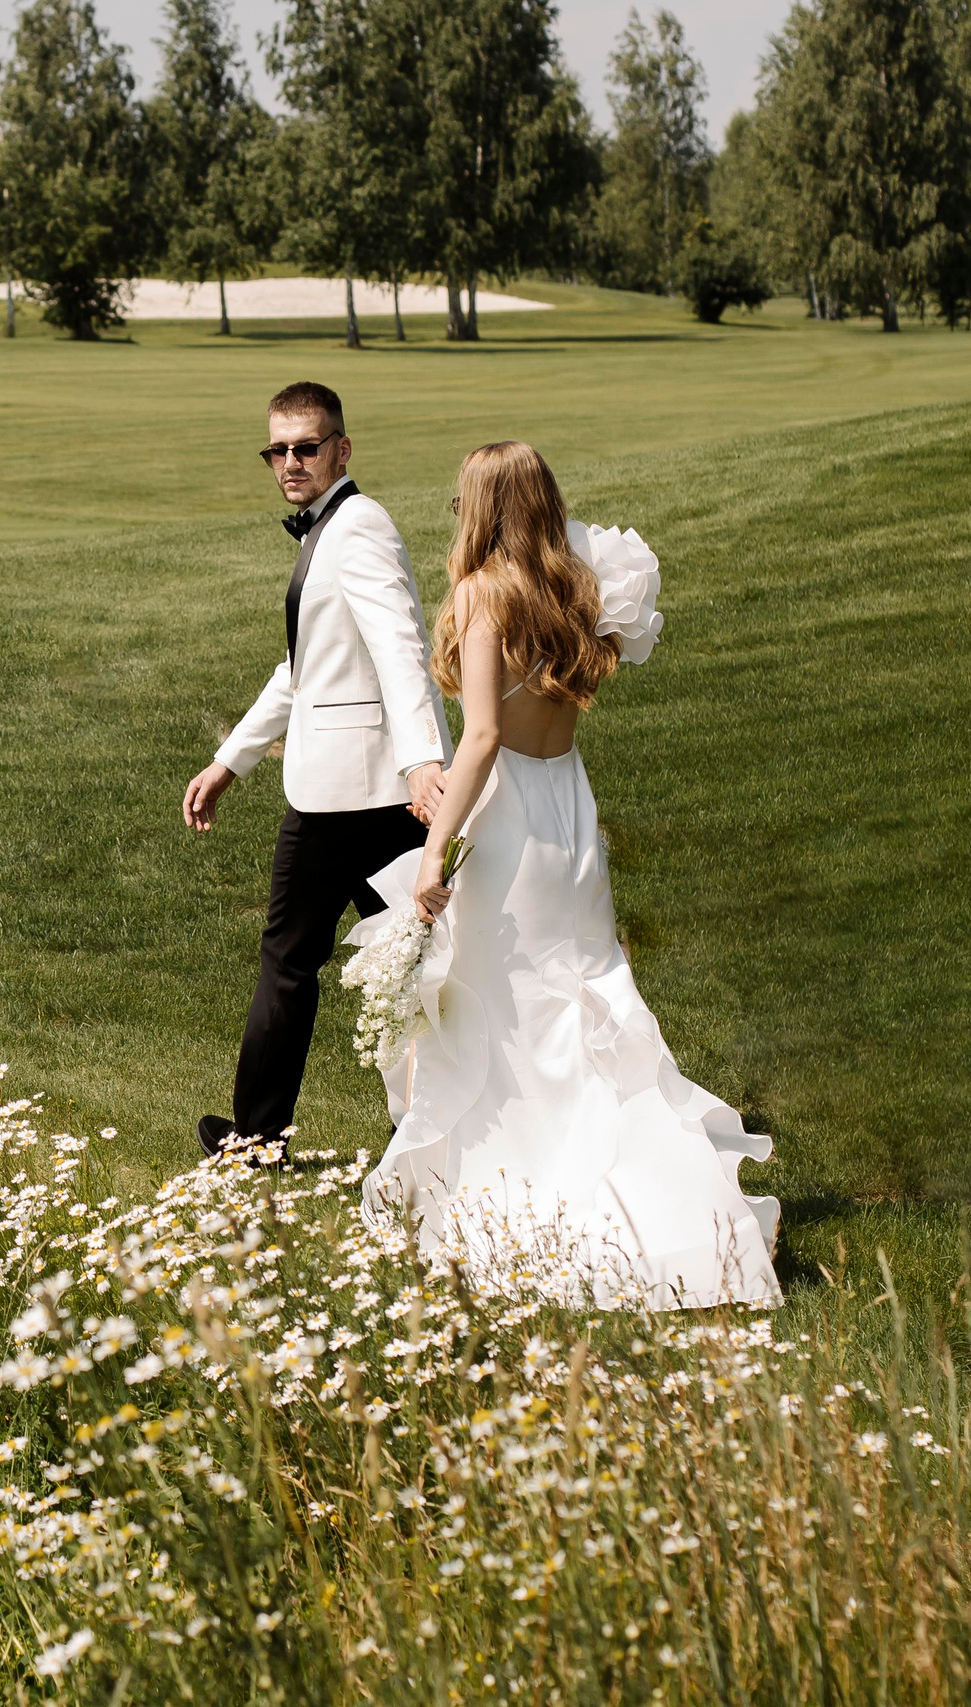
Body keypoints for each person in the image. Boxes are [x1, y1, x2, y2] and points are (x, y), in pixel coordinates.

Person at [356, 440, 780, 1308]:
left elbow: (479, 737)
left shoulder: (482, 595)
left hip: (509, 813)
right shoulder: (574, 589)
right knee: (582, 991)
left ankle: (517, 1196)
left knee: (502, 1002)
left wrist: (436, 845)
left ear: (480, 507)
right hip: (569, 809)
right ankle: (658, 1195)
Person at [183, 381, 452, 1163]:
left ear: (342, 449)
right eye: (280, 449)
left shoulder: (357, 527)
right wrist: (232, 758)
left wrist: (421, 764)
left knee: (293, 961)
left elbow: (402, 647)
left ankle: (257, 1138)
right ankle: (428, 1129)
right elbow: (305, 667)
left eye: (308, 445)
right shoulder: (329, 531)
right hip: (373, 791)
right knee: (410, 962)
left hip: (355, 794)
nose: (292, 461)